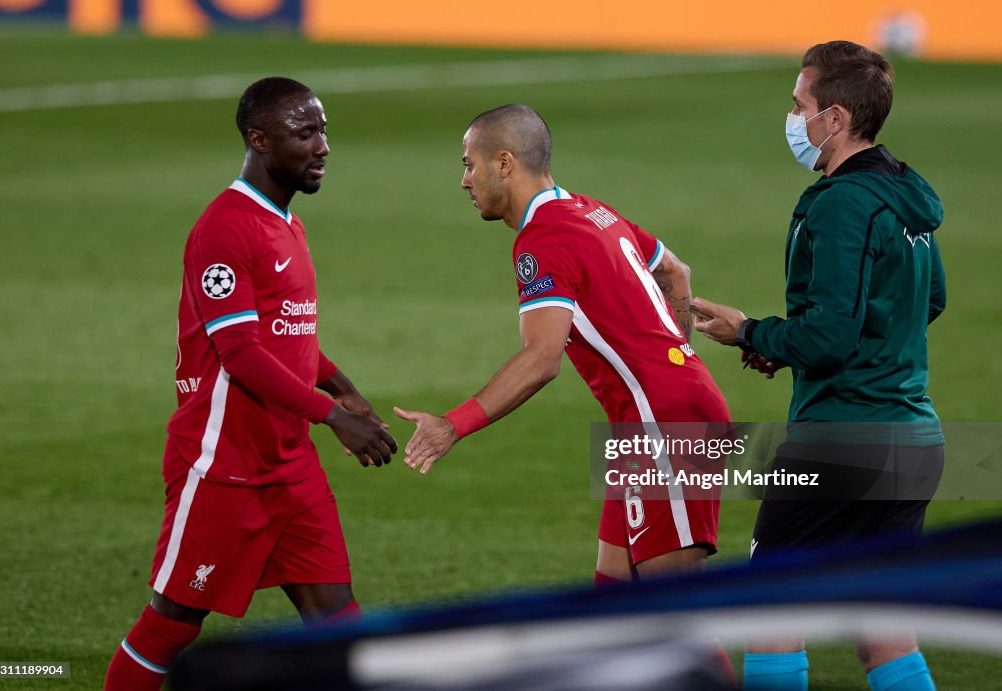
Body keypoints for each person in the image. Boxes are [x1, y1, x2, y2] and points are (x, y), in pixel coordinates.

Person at [104, 77, 398, 691]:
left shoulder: (286, 223)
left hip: (290, 467)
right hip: (222, 468)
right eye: (305, 132)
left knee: (337, 624)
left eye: (323, 130)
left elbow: (290, 335)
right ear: (259, 141)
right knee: (172, 624)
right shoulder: (225, 228)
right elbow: (240, 352)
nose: (322, 147)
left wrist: (342, 386)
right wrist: (332, 415)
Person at [394, 103, 733, 587]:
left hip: (662, 422)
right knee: (612, 598)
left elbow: (542, 357)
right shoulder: (591, 210)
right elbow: (675, 271)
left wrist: (452, 425)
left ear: (504, 163)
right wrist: (673, 354)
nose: (465, 181)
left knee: (672, 620)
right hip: (651, 418)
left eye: (469, 164)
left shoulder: (543, 238)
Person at [693, 41, 944, 691]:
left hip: (842, 436)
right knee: (882, 626)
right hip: (914, 437)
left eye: (798, 104)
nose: (792, 117)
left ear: (835, 118)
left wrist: (752, 331)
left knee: (772, 609)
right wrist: (786, 342)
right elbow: (928, 300)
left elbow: (831, 335)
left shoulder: (840, 203)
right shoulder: (907, 196)